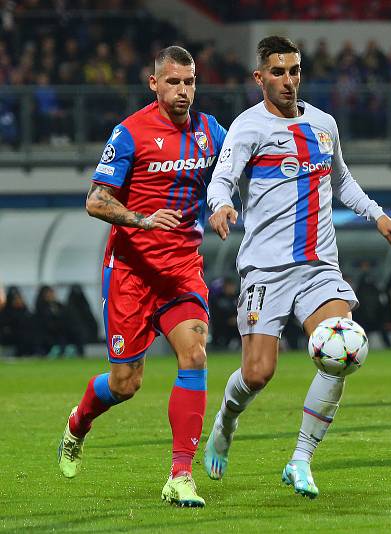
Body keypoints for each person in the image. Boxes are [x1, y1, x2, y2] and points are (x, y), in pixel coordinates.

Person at [203, 36, 391, 499]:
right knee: (257, 374)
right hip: (266, 271)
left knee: (343, 349)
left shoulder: (323, 124)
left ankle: (300, 459)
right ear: (260, 77)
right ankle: (227, 420)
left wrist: (378, 215)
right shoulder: (247, 128)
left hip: (318, 266)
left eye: (294, 70)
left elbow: (342, 181)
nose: (288, 80)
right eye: (278, 72)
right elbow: (222, 178)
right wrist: (219, 206)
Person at [57, 46, 227, 507]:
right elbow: (95, 200)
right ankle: (78, 423)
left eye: (190, 82)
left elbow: (231, 176)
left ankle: (180, 474)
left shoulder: (211, 133)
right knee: (125, 383)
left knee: (194, 353)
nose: (183, 91)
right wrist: (142, 219)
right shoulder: (130, 132)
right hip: (131, 272)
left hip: (181, 270)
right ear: (154, 84)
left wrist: (223, 203)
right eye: (173, 82)